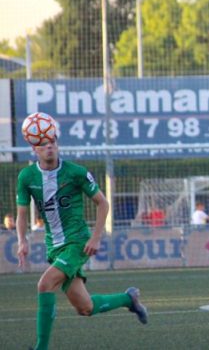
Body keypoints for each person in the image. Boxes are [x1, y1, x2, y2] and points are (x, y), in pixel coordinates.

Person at [16, 130, 147, 350]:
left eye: (53, 142)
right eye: (44, 144)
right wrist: (22, 240)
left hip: (77, 242)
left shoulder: (76, 172)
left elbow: (103, 203)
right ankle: (128, 299)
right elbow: (21, 214)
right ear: (34, 149)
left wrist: (96, 237)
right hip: (54, 246)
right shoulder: (26, 177)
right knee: (85, 308)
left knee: (45, 284)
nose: (50, 146)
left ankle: (41, 348)